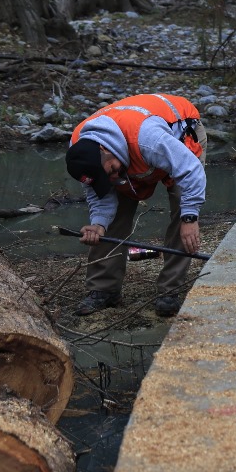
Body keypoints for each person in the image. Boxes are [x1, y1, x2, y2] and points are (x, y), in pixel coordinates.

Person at [65, 94, 208, 318]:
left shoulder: (148, 138)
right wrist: (99, 224)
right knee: (114, 215)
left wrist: (190, 217)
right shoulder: (80, 152)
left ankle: (170, 291)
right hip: (133, 151)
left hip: (180, 134)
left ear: (104, 148)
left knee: (183, 207)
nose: (113, 178)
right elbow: (100, 196)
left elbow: (191, 170)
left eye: (111, 171)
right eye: (106, 176)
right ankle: (104, 290)